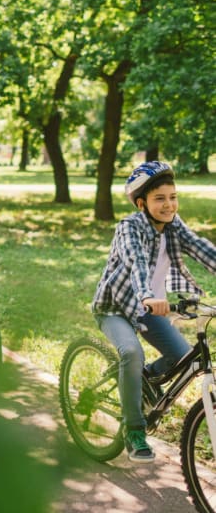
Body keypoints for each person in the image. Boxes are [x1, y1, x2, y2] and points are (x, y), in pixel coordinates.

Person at [92, 161, 216, 463]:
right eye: (159, 198)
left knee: (184, 357)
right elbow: (136, 262)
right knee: (132, 353)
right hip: (116, 308)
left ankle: (139, 381)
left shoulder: (174, 225)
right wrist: (148, 295)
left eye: (172, 197)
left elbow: (203, 249)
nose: (169, 204)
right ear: (141, 203)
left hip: (149, 309)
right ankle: (134, 430)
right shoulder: (129, 228)